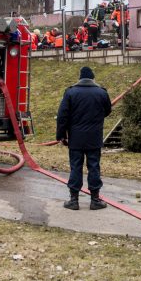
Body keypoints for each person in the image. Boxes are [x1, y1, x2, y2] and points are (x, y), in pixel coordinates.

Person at [56, 66, 112, 210]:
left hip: (75, 138)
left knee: (76, 167)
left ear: (80, 78)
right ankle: (95, 200)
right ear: (93, 78)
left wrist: (61, 135)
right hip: (94, 137)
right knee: (94, 167)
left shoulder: (70, 93)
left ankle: (74, 200)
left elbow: (63, 116)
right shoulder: (102, 93)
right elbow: (107, 111)